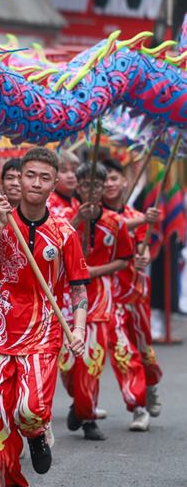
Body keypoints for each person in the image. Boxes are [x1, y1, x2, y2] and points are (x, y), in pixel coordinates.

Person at [0, 147, 88, 487]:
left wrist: (78, 329)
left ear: (53, 184)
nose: (35, 183)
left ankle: (35, 433)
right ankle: (11, 483)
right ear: (19, 179)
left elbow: (78, 287)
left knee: (29, 408)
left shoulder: (64, 232)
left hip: (43, 329)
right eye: (29, 175)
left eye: (44, 177)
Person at [58, 163, 134, 440]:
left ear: (104, 189)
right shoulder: (63, 216)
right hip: (66, 295)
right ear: (78, 187)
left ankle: (87, 416)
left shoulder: (116, 222)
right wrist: (78, 220)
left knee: (90, 359)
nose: (92, 190)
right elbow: (55, 243)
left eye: (97, 186)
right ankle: (78, 403)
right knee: (66, 363)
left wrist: (94, 271)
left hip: (99, 297)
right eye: (86, 185)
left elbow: (125, 259)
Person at [102, 158, 163, 420]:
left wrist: (142, 256)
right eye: (104, 180)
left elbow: (143, 248)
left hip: (136, 293)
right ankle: (137, 405)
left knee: (144, 350)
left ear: (125, 181)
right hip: (108, 296)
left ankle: (150, 386)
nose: (109, 184)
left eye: (114, 178)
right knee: (122, 351)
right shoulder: (95, 217)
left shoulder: (136, 217)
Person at [47, 149, 80, 218]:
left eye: (74, 170)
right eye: (63, 171)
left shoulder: (76, 203)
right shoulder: (48, 202)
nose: (70, 175)